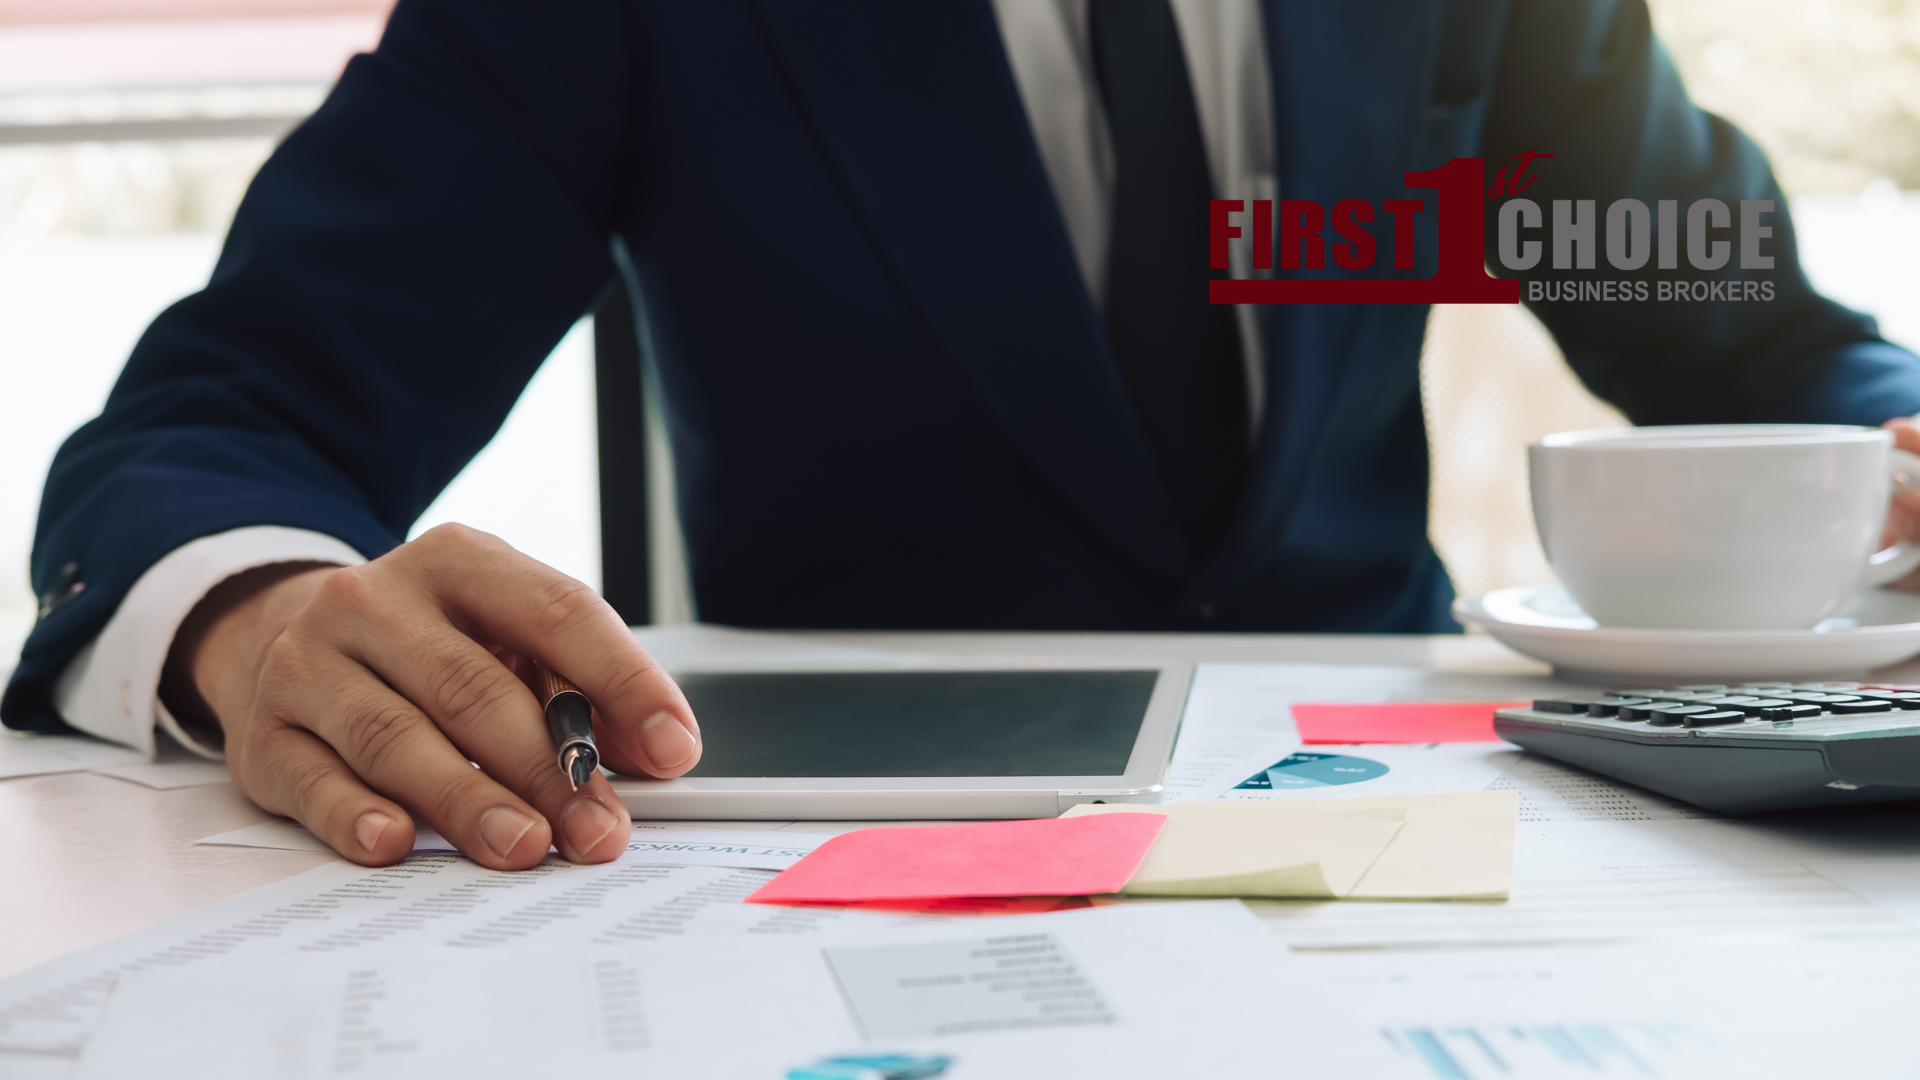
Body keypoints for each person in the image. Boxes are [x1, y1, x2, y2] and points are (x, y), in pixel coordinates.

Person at [9, 0, 1920, 870]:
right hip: (821, 845)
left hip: (1405, 806)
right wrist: (256, 616)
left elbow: (1757, 340)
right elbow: (221, 424)